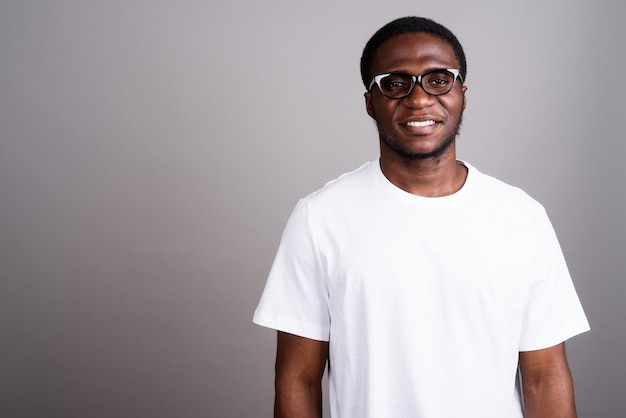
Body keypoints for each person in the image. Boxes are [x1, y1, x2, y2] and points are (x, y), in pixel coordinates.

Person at [253, 16, 589, 418]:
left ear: (462, 93)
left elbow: (544, 377)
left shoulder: (521, 218)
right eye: (395, 83)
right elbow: (298, 379)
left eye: (438, 80)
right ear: (369, 102)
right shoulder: (320, 218)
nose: (418, 99)